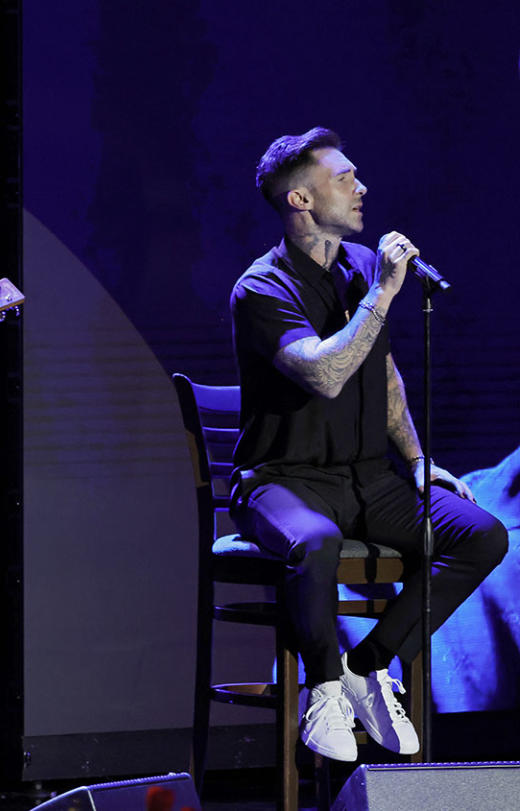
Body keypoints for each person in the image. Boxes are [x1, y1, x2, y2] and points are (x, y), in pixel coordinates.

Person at [229, 127, 507, 761]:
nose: (362, 188)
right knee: (317, 543)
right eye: (345, 178)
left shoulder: (356, 269)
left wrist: (416, 462)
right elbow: (325, 373)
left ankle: (369, 663)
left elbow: (383, 378)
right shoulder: (262, 287)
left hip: (366, 478)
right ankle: (323, 687)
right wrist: (383, 294)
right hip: (281, 480)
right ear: (300, 200)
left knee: (481, 533)